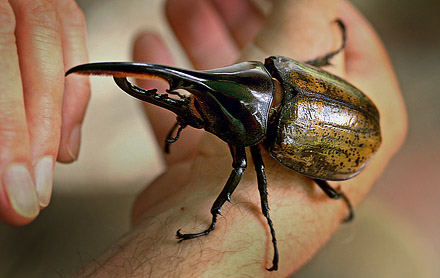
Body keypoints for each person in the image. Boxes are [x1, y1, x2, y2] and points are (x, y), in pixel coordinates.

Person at [0, 0, 406, 276]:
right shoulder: (279, 69)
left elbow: (250, 179)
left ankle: (322, 195)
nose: (189, 112)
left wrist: (224, 224)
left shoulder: (277, 120)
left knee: (254, 175)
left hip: (351, 141)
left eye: (198, 116)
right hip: (340, 100)